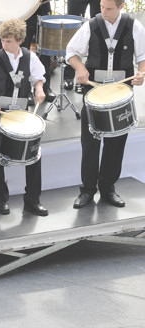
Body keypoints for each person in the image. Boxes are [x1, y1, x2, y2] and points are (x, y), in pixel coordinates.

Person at [67, 0, 145, 209]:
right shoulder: (91, 25)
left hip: (121, 94)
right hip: (94, 93)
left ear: (121, 7)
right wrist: (80, 68)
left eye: (109, 8)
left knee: (116, 143)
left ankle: (108, 188)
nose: (103, 11)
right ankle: (87, 190)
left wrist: (141, 74)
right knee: (90, 143)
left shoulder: (134, 26)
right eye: (101, 6)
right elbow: (71, 52)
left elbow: (143, 56)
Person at [0, 18, 48, 217]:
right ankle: (0, 198)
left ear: (19, 40)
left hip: (22, 115)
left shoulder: (30, 58)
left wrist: (39, 89)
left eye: (8, 41)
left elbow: (38, 78)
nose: (4, 44)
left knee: (34, 155)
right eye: (2, 40)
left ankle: (33, 199)